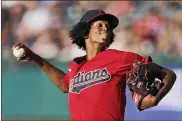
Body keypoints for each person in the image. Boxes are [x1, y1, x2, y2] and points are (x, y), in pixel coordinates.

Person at [12, 9, 176, 121]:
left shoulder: (120, 58)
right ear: (85, 32)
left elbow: (169, 74)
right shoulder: (75, 66)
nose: (105, 28)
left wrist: (156, 97)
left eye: (108, 27)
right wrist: (35, 57)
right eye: (99, 25)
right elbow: (64, 84)